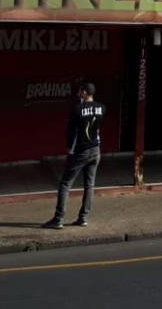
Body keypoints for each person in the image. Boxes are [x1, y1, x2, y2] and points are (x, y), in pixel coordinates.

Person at [43, 82, 105, 229]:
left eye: (80, 92)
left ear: (84, 92)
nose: (78, 94)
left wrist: (70, 150)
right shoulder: (102, 108)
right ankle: (83, 218)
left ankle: (58, 219)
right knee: (89, 185)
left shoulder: (77, 109)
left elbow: (71, 132)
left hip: (80, 151)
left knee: (65, 184)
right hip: (96, 150)